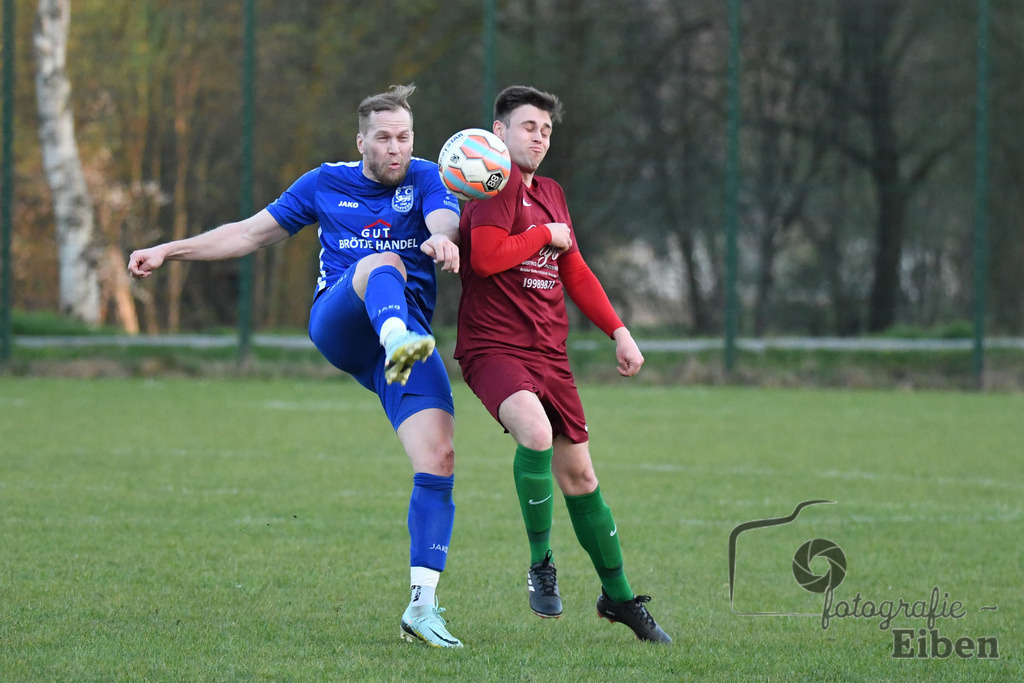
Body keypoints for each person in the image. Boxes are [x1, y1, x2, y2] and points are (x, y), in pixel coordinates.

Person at [128, 84, 465, 648]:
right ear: (361, 142)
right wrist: (169, 249)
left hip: (407, 352)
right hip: (346, 326)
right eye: (383, 138)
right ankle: (396, 334)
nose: (396, 149)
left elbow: (443, 222)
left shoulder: (428, 177)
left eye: (404, 138)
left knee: (440, 456)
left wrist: (442, 243)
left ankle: (422, 608)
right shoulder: (323, 183)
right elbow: (248, 234)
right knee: (379, 260)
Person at [454, 85, 671, 643]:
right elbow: (485, 257)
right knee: (534, 431)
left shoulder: (551, 191)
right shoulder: (489, 189)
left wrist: (620, 332)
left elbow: (574, 271)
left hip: (552, 354)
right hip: (495, 348)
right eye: (529, 126)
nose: (539, 137)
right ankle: (541, 564)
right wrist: (541, 235)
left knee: (582, 476)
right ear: (498, 131)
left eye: (546, 130)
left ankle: (619, 597)